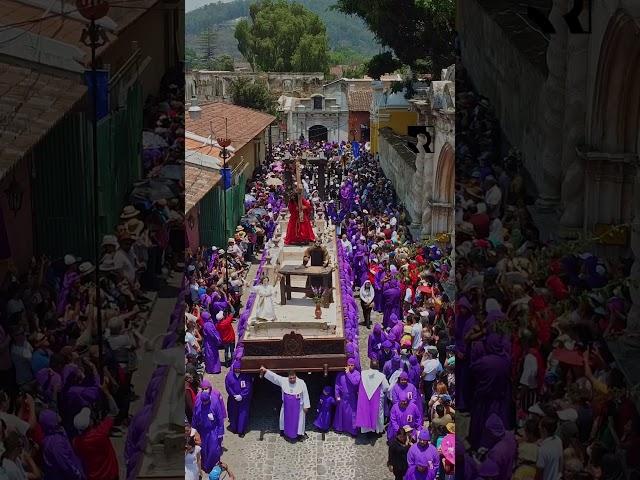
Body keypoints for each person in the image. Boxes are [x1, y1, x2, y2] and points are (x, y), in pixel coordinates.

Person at [260, 367, 310, 440]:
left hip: (298, 408)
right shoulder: (283, 381)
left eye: (294, 378)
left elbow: (305, 394)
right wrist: (266, 370)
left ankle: (299, 435)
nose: (292, 380)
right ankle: (285, 433)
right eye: (290, 378)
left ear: (296, 376)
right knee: (285, 420)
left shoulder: (301, 383)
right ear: (288, 377)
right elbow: (275, 377)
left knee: (299, 423)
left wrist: (306, 406)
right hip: (287, 407)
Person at [39, 409, 86, 480]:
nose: (57, 415)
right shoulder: (56, 442)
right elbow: (65, 463)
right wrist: (78, 474)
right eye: (54, 415)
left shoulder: (57, 432)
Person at [190, 390, 222, 474]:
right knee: (204, 450)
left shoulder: (214, 404)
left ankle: (214, 465)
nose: (205, 403)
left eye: (206, 402)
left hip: (212, 431)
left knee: (213, 449)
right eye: (203, 402)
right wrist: (193, 430)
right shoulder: (198, 405)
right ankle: (206, 466)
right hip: (202, 431)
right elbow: (195, 417)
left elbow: (220, 418)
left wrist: (220, 432)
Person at [355, 360, 390, 434]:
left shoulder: (363, 373)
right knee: (379, 415)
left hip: (365, 397)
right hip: (377, 398)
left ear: (370, 365)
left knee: (365, 412)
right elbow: (386, 387)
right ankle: (378, 430)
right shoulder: (381, 376)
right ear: (378, 366)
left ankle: (366, 430)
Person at [224, 359, 253, 437]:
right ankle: (234, 428)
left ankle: (241, 431)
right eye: (236, 369)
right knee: (233, 414)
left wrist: (242, 396)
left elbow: (248, 387)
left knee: (242, 414)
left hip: (243, 400)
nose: (237, 370)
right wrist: (233, 395)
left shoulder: (246, 376)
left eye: (239, 369)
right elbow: (228, 386)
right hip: (233, 399)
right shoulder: (229, 376)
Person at [333, 358, 361, 436]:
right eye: (348, 365)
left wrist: (348, 373)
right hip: (342, 397)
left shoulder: (357, 374)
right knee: (341, 413)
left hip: (352, 397)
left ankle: (353, 430)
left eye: (352, 365)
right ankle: (340, 428)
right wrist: (337, 395)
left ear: (354, 366)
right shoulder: (341, 374)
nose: (350, 367)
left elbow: (355, 383)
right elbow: (337, 385)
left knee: (352, 414)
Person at [536, 416, 563, 480]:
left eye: (540, 427)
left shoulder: (542, 450)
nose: (538, 428)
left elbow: (539, 473)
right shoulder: (558, 440)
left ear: (544, 429)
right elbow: (561, 460)